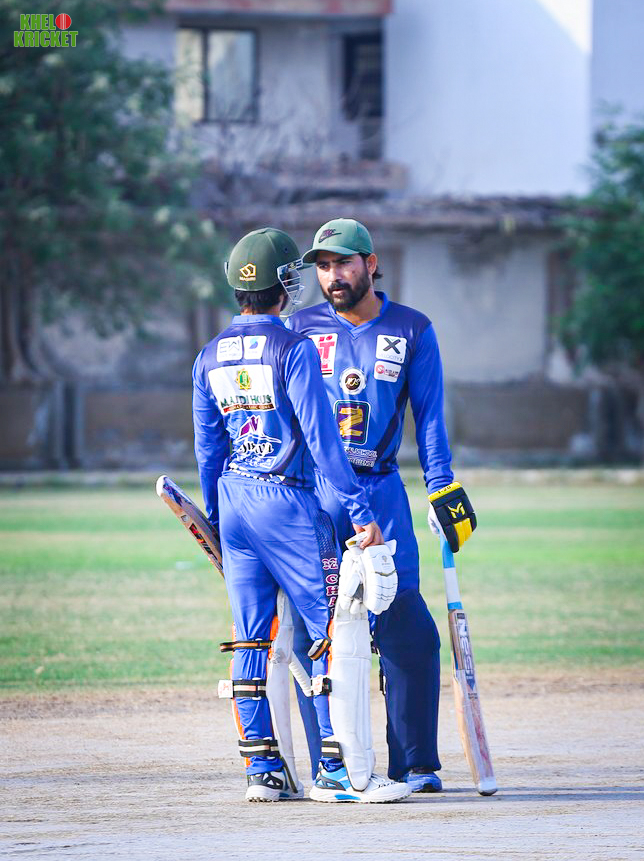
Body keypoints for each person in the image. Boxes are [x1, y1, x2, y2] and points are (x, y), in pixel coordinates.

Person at [191, 226, 410, 803]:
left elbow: (208, 451)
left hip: (234, 503)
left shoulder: (208, 355)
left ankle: (262, 771)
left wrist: (215, 521)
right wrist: (360, 511)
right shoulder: (293, 349)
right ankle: (339, 771)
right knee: (331, 631)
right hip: (287, 503)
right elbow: (324, 443)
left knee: (251, 639)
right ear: (286, 282)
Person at [287, 218, 477, 792]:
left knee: (406, 628)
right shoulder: (297, 328)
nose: (333, 276)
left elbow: (430, 417)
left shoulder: (412, 328)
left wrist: (442, 488)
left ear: (371, 263)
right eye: (323, 266)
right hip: (315, 496)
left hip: (381, 491)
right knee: (313, 631)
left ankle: (414, 764)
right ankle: (333, 764)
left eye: (343, 263)